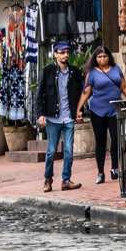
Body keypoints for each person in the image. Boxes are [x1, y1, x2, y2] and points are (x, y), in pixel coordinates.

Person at [34, 41, 84, 193]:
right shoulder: (47, 71)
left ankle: (66, 180)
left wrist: (80, 111)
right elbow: (39, 95)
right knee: (51, 151)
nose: (65, 55)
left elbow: (80, 93)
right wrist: (40, 114)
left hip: (68, 117)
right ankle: (48, 179)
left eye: (67, 52)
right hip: (53, 118)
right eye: (62, 52)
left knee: (68, 150)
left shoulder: (74, 72)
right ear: (55, 54)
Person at [76, 46, 124, 186]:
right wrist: (78, 109)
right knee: (101, 141)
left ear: (109, 57)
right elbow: (86, 92)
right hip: (97, 111)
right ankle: (100, 172)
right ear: (95, 58)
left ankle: (115, 168)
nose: (102, 59)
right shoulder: (92, 73)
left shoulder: (116, 69)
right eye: (99, 57)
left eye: (104, 56)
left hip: (115, 109)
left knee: (116, 138)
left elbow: (124, 87)